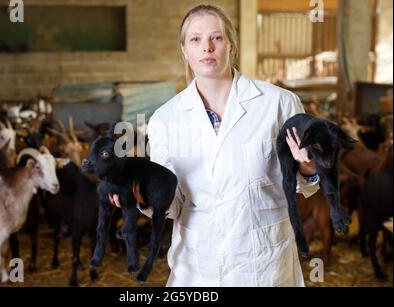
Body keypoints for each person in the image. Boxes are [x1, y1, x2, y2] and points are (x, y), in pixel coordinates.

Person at [110, 4, 320, 287]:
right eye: (195, 40)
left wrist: (308, 166)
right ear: (184, 50)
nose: (206, 47)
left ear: (231, 45)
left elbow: (303, 186)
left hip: (264, 266)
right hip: (197, 268)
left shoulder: (279, 103)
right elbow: (172, 205)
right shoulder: (165, 119)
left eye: (216, 38)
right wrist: (139, 193)